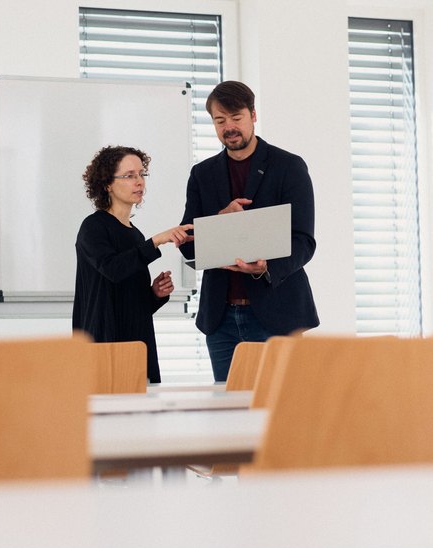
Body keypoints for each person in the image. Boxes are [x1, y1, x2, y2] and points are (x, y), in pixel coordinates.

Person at [178, 81, 319, 382]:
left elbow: (304, 241)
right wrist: (218, 219)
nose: (229, 127)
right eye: (220, 120)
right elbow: (188, 246)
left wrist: (267, 266)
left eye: (236, 117)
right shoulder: (202, 175)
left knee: (281, 416)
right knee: (227, 420)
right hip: (221, 320)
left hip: (276, 315)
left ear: (253, 115)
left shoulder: (289, 167)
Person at [73, 146, 194, 384]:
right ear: (107, 184)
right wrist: (158, 240)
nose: (139, 182)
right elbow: (113, 269)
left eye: (141, 174)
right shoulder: (93, 227)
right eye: (129, 176)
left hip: (137, 342)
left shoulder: (136, 236)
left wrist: (155, 294)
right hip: (104, 342)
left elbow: (133, 304)